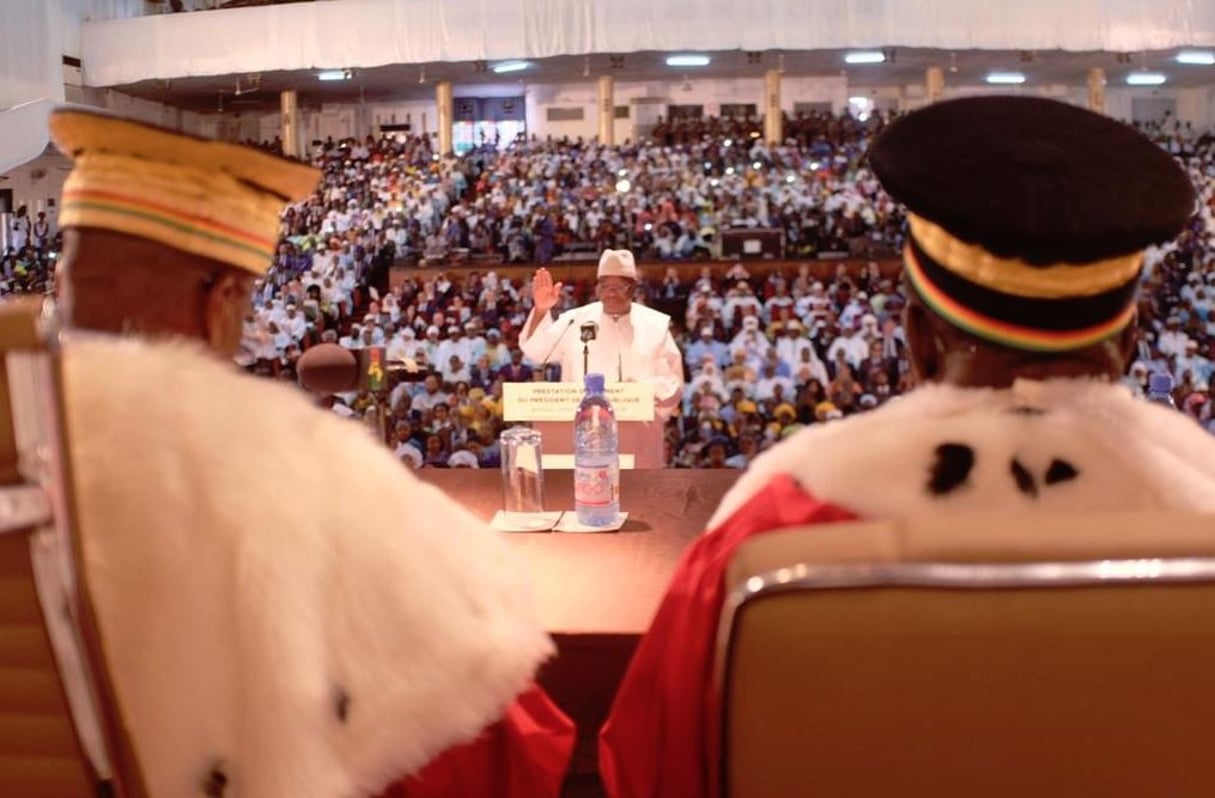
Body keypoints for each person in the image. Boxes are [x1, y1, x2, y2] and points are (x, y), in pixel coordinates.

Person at [598, 96, 1215, 798]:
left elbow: (652, 768)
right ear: (1129, 345)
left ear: (918, 340)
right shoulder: (1197, 515)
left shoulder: (773, 535)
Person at [49, 108, 567, 797]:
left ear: (59, 288)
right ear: (224, 301)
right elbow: (494, 691)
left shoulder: (20, 436)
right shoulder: (289, 461)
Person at [519, 249, 683, 466]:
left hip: (638, 434)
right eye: (604, 286)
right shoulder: (574, 321)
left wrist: (639, 395)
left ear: (633, 288)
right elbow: (535, 350)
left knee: (639, 496)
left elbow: (671, 382)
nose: (610, 293)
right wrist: (541, 310)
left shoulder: (655, 325)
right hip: (582, 434)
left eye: (618, 287)